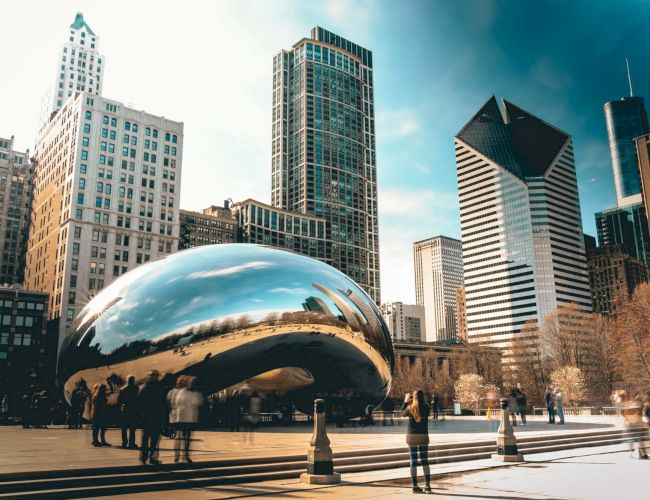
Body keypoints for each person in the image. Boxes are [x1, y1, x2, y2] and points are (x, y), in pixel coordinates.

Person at [402, 389, 432, 494]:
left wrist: (405, 401)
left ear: (413, 398)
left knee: (413, 461)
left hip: (412, 437)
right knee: (425, 460)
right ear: (423, 397)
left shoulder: (410, 408)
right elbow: (426, 405)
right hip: (423, 437)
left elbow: (402, 413)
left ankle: (415, 486)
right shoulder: (427, 408)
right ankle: (427, 485)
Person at [167, 375, 203, 463]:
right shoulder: (182, 392)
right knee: (180, 437)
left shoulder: (194, 393)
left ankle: (186, 455)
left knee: (187, 438)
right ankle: (178, 456)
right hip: (181, 418)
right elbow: (176, 403)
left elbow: (197, 403)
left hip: (189, 418)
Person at [138, 370, 168, 464]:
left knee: (145, 438)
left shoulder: (143, 387)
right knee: (154, 439)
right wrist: (165, 418)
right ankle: (152, 457)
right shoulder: (161, 387)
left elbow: (138, 402)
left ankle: (143, 457)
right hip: (156, 416)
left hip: (146, 416)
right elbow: (164, 404)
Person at [118, 375, 139, 449]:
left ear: (127, 380)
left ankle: (124, 443)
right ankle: (131, 443)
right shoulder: (136, 389)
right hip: (133, 410)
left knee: (124, 427)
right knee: (132, 428)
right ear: (133, 380)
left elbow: (119, 401)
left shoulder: (123, 389)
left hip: (125, 409)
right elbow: (138, 400)